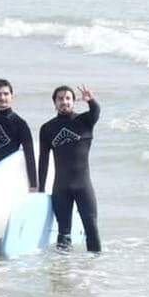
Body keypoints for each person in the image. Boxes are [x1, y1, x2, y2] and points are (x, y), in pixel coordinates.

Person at [37, 84, 102, 252]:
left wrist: (91, 101)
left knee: (92, 230)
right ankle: (62, 275)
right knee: (63, 234)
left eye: (68, 98)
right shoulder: (47, 129)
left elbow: (96, 112)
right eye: (60, 99)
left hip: (83, 186)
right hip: (61, 188)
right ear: (55, 102)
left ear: (73, 102)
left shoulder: (84, 121)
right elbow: (43, 161)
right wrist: (41, 190)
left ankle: (94, 273)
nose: (64, 102)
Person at [0, 79, 37, 190]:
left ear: (12, 97)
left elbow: (29, 154)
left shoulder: (20, 123)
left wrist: (33, 184)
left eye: (6, 94)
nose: (2, 97)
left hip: (10, 174)